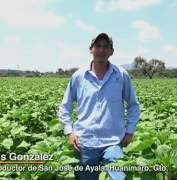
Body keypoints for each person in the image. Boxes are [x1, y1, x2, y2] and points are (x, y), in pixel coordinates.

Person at [58, 33, 141, 180]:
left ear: (111, 51)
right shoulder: (79, 76)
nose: (101, 50)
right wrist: (69, 132)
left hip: (114, 141)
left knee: (118, 176)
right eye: (98, 46)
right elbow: (65, 106)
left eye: (106, 47)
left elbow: (133, 105)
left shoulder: (121, 75)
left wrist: (130, 131)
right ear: (91, 49)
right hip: (86, 141)